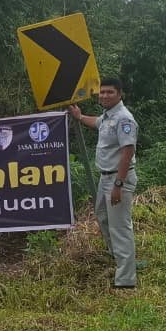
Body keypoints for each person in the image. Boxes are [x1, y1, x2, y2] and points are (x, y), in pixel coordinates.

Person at [69, 78, 139, 289]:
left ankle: (126, 280)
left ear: (120, 94)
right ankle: (120, 259)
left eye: (109, 92)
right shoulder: (108, 117)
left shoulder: (124, 119)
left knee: (120, 227)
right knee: (103, 217)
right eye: (102, 92)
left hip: (118, 179)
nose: (104, 96)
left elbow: (128, 152)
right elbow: (96, 122)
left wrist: (118, 185)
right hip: (105, 178)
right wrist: (80, 116)